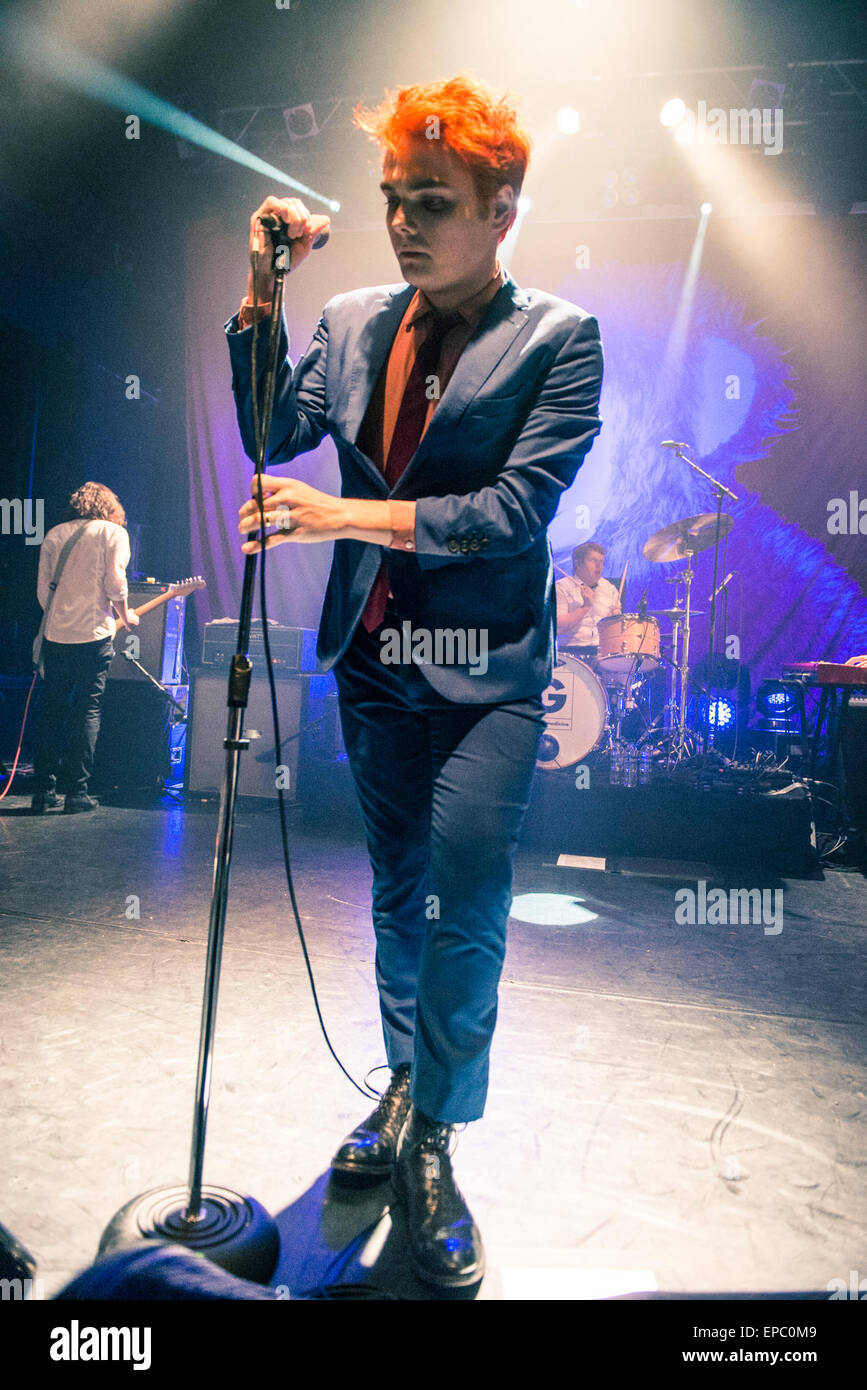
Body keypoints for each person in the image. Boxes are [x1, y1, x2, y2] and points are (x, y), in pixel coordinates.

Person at [226, 75, 603, 1289]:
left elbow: (508, 514)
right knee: (397, 891)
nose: (403, 220)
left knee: (460, 892)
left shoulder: (560, 338)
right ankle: (401, 1086)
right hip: (376, 663)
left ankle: (437, 1137)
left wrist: (347, 513)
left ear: (502, 210)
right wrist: (263, 287)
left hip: (487, 677)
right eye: (393, 198)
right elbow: (265, 432)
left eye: (432, 199)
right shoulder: (345, 319)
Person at [31, 482, 138, 813]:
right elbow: (115, 582)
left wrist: (61, 618)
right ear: (109, 506)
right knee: (87, 711)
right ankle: (76, 794)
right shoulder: (113, 533)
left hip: (55, 636)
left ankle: (42, 792)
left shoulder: (54, 534)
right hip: (93, 635)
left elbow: (43, 593)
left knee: (52, 712)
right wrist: (126, 615)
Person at [556, 540, 620, 659]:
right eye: (593, 560)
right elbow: (558, 628)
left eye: (601, 561)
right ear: (578, 564)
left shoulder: (610, 589)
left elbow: (616, 633)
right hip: (571, 654)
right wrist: (585, 607)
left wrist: (613, 621)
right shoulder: (562, 588)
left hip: (603, 654)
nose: (599, 566)